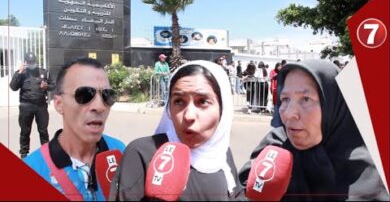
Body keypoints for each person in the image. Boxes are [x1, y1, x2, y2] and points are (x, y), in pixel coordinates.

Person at [238, 59, 389, 200]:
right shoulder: (274, 146)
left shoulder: (371, 175)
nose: (289, 113)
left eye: (305, 99)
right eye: (285, 99)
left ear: (334, 106)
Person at [110, 60, 244, 201]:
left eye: (203, 101)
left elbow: (237, 194)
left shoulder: (222, 152)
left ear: (223, 109)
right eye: (179, 101)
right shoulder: (142, 153)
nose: (189, 115)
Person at [23, 57, 125, 201]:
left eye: (107, 96)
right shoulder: (32, 168)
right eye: (85, 95)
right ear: (59, 104)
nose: (100, 106)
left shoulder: (119, 151)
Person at [9, 52, 55, 159]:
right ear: (25, 62)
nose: (32, 64)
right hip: (26, 106)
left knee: (43, 130)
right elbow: (13, 87)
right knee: (25, 131)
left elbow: (53, 85)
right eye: (29, 62)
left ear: (36, 61)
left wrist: (46, 86)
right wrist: (19, 72)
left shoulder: (44, 72)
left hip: (41, 106)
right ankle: (24, 154)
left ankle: (46, 153)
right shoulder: (21, 73)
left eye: (33, 62)